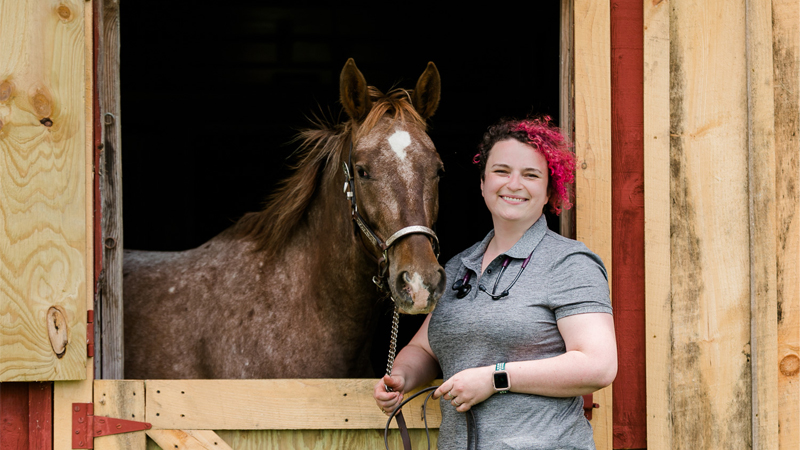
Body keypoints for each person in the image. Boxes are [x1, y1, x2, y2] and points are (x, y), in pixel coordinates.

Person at [373, 116, 617, 449]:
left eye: (531, 175)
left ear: (549, 191)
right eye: (502, 171)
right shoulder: (459, 265)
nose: (514, 184)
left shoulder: (569, 263)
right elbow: (424, 348)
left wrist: (495, 377)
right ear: (483, 183)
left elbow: (598, 365)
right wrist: (402, 377)